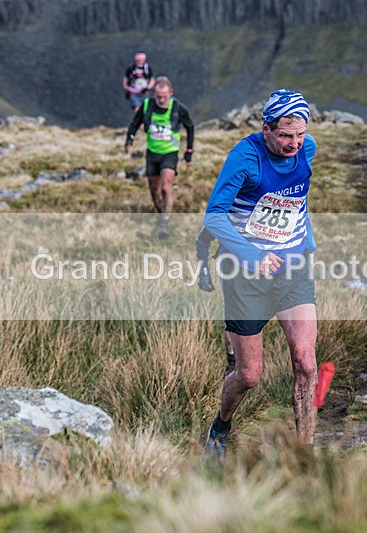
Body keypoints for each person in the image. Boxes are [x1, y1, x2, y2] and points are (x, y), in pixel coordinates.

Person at [201, 89, 318, 460]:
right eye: (285, 135)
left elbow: (296, 200)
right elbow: (214, 216)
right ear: (266, 129)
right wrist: (252, 254)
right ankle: (220, 426)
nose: (293, 144)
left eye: (299, 135)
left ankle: (305, 456)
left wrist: (306, 241)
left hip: (293, 269)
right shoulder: (244, 158)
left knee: (305, 361)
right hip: (245, 274)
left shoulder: (307, 149)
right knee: (249, 375)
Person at [124, 76, 195, 238]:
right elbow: (135, 123)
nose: (161, 100)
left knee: (165, 187)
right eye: (158, 96)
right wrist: (130, 138)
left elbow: (190, 126)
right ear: (153, 94)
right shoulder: (147, 105)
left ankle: (164, 223)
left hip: (170, 153)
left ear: (171, 93)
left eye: (164, 96)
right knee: (154, 190)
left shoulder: (178, 107)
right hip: (152, 153)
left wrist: (189, 151)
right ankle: (161, 214)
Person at [196, 226, 236, 377]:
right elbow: (202, 239)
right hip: (231, 267)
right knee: (232, 314)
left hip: (271, 269)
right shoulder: (231, 210)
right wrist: (203, 273)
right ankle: (232, 362)